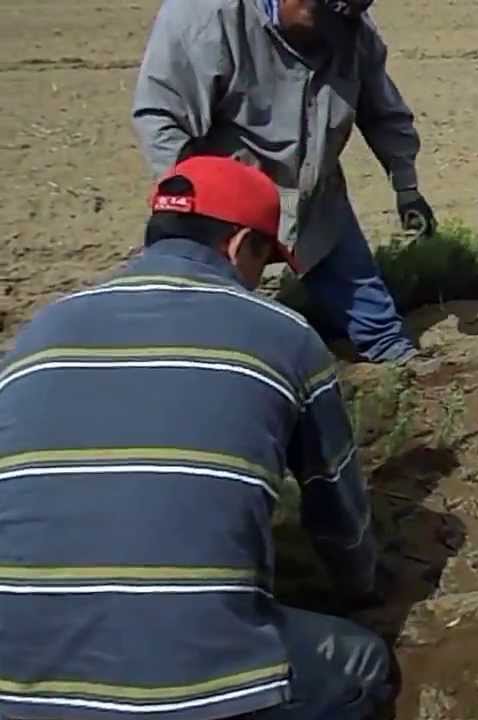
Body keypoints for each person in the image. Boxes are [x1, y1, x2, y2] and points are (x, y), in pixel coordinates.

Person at [0, 156, 393, 720]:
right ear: (240, 246)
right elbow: (338, 516)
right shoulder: (284, 334)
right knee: (364, 666)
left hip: (17, 687)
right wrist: (361, 590)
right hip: (188, 691)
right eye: (263, 259)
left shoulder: (38, 333)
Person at [132, 0, 434, 365]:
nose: (334, 35)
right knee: (202, 310)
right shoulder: (206, 16)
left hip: (314, 194)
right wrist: (194, 206)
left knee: (372, 313)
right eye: (325, 18)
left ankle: (396, 359)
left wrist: (406, 187)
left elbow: (383, 113)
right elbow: (161, 117)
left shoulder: (351, 30)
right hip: (228, 200)